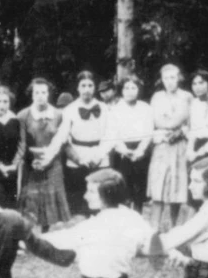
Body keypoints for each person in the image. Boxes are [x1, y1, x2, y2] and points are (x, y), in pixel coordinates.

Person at [16, 77, 71, 230]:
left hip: (53, 161)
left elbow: (62, 141)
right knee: (31, 198)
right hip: (31, 162)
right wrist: (31, 160)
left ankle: (46, 232)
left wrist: (49, 158)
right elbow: (21, 142)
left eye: (44, 92)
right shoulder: (23, 115)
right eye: (37, 92)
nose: (40, 95)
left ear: (48, 94)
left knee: (49, 197)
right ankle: (28, 233)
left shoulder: (59, 114)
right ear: (31, 95)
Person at [147, 64, 192, 231]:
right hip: (162, 144)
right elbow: (153, 120)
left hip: (179, 145)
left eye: (173, 78)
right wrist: (164, 131)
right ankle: (154, 229)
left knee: (176, 186)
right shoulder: (157, 97)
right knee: (158, 185)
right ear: (162, 80)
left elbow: (191, 122)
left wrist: (180, 132)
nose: (170, 82)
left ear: (179, 78)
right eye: (166, 78)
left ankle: (173, 227)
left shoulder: (187, 96)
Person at [101, 75, 155, 212]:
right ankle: (123, 215)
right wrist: (124, 150)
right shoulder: (115, 109)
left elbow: (148, 131)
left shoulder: (145, 108)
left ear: (139, 90)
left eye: (133, 87)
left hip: (141, 150)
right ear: (121, 90)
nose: (130, 91)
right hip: (121, 152)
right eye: (126, 88)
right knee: (123, 186)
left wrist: (140, 151)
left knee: (139, 188)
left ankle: (138, 213)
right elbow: (112, 133)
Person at [60, 72, 111, 216]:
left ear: (94, 88)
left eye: (90, 85)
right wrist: (79, 159)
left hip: (100, 157)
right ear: (77, 88)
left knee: (100, 198)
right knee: (79, 200)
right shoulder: (69, 110)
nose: (87, 89)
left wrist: (98, 156)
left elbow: (110, 134)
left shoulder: (105, 108)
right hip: (78, 158)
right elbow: (64, 138)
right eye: (83, 86)